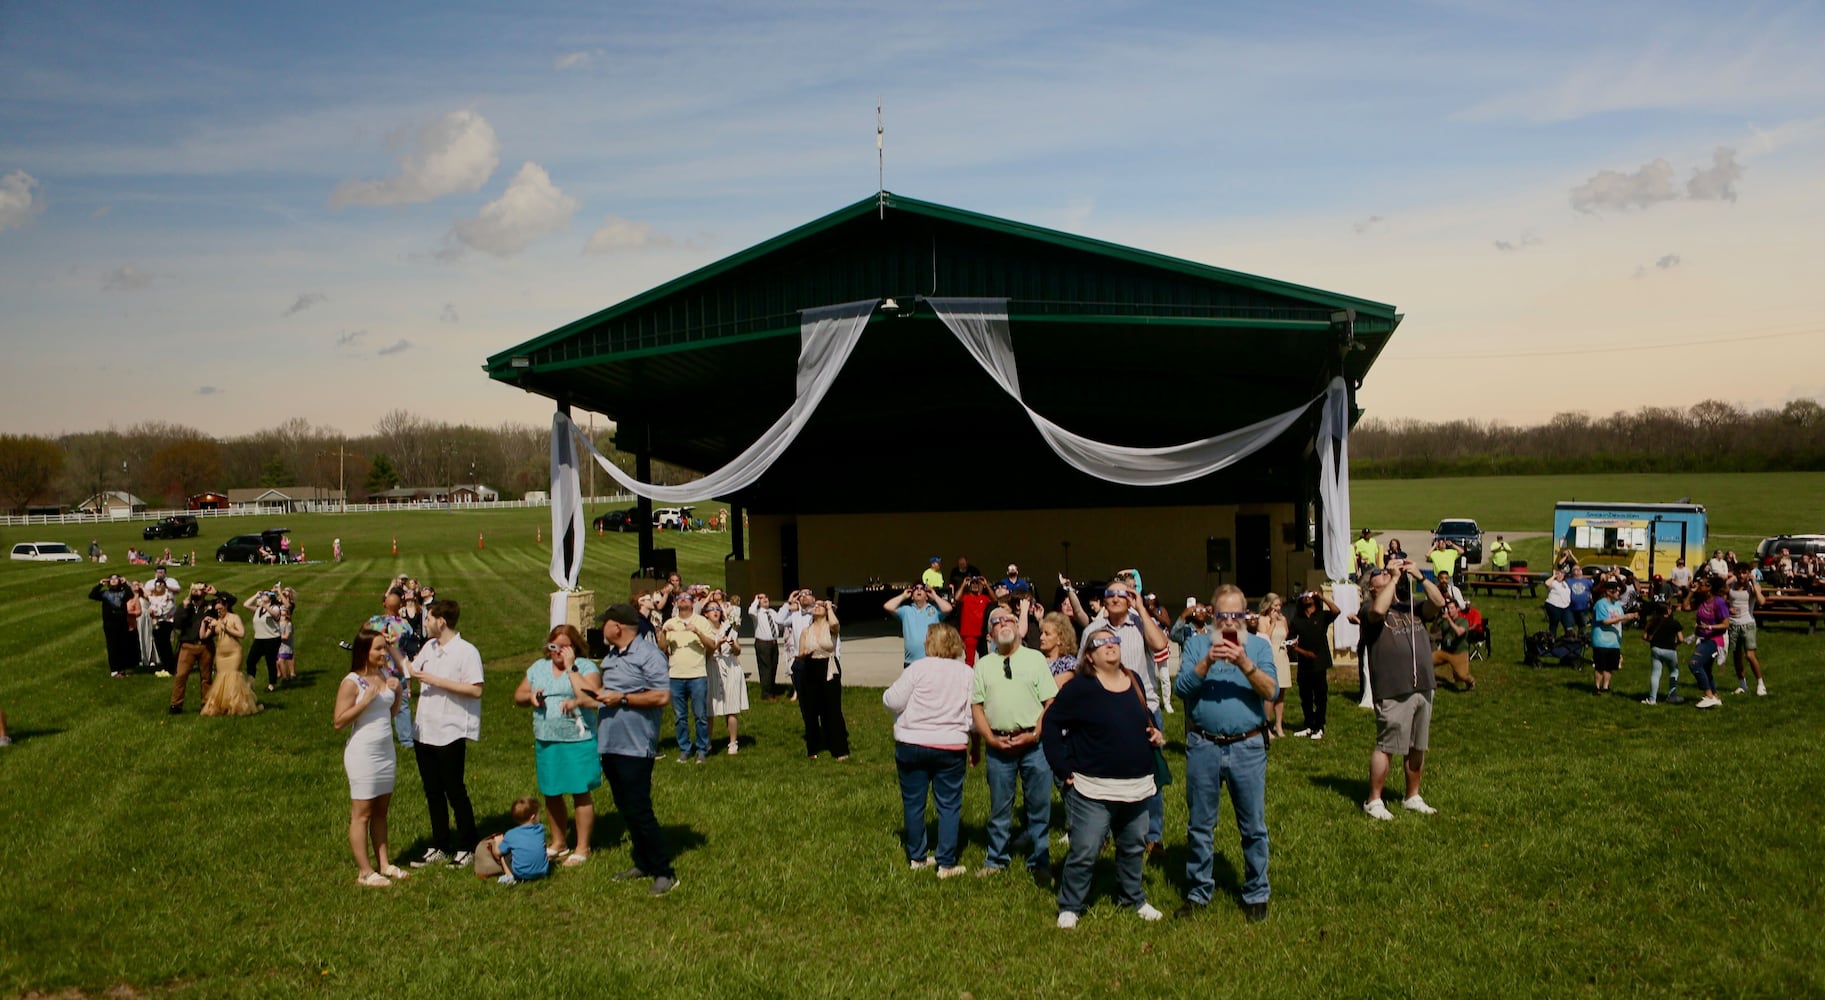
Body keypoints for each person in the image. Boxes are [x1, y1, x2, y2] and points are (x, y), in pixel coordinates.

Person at [1041, 627, 1167, 928]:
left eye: (1114, 640)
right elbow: (1051, 725)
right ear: (1090, 655)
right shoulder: (1080, 687)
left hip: (1137, 787)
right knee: (1085, 849)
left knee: (1134, 845)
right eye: (1101, 642)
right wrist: (1062, 769)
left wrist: (1153, 731)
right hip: (1092, 788)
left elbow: (1142, 718)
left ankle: (1132, 898)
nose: (1110, 645)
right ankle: (1070, 905)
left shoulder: (1134, 680)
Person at [1174, 584, 1277, 921]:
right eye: (1223, 615)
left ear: (1245, 616)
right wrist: (1206, 662)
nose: (1230, 622)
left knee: (1253, 825)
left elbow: (1271, 691)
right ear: (1213, 615)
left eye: (1236, 615)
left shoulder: (1259, 647)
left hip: (1247, 745)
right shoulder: (1196, 644)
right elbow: (1181, 690)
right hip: (1203, 744)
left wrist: (1245, 664)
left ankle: (1256, 892)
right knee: (1200, 825)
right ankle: (1199, 891)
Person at [1063, 577, 1171, 860]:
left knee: (1151, 776)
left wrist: (1141, 608)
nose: (1115, 598)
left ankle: (1153, 836)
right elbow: (1080, 669)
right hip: (1104, 712)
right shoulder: (1094, 630)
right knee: (1107, 772)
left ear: (1131, 597)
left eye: (1122, 595)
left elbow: (1161, 648)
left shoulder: (1140, 624)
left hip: (1142, 708)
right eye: (1110, 594)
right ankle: (1106, 832)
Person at [591, 604, 679, 896]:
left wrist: (624, 699)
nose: (602, 627)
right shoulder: (614, 655)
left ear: (618, 627)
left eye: (605, 623)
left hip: (635, 745)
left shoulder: (648, 655)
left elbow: (662, 695)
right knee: (625, 807)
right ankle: (643, 862)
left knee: (640, 810)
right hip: (610, 743)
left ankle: (665, 872)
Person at [972, 609, 1059, 887]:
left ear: (1019, 628)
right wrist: (990, 739)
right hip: (999, 745)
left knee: (1039, 806)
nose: (1004, 624)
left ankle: (1039, 860)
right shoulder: (984, 664)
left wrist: (1035, 733)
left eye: (1009, 619)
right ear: (990, 634)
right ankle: (996, 859)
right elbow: (976, 707)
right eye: (997, 622)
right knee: (1000, 808)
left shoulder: (1035, 659)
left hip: (1034, 745)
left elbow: (1051, 703)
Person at [883, 624, 974, 876]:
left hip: (912, 743)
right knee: (949, 805)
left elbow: (893, 700)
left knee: (913, 803)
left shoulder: (918, 669)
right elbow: (972, 714)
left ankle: (917, 857)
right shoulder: (967, 673)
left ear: (930, 643)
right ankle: (946, 862)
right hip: (950, 745)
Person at [1360, 561, 1446, 821]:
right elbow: (1378, 609)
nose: (1385, 573)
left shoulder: (1412, 607)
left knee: (1417, 746)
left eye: (1386, 571)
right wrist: (1394, 578)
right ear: (1371, 587)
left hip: (1422, 685)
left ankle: (1413, 796)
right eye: (1379, 574)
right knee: (1387, 745)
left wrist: (1420, 577)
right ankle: (1374, 800)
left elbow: (1439, 603)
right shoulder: (1368, 610)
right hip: (1393, 688)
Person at [405, 600, 484, 868]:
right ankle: (440, 844)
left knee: (454, 789)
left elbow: (476, 689)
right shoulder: (429, 647)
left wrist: (436, 681)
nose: (425, 623)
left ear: (441, 621)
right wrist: (392, 649)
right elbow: (413, 671)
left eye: (428, 618)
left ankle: (468, 845)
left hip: (450, 730)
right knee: (432, 791)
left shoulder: (466, 652)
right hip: (424, 729)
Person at [514, 625, 600, 867]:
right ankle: (558, 842)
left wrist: (572, 668)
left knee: (580, 790)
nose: (557, 652)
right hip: (547, 737)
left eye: (564, 647)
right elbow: (519, 694)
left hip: (578, 739)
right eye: (553, 646)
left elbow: (593, 694)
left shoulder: (585, 667)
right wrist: (530, 697)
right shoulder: (538, 668)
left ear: (574, 647)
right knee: (551, 791)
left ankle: (583, 847)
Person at [333, 626, 408, 887]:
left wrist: (396, 693)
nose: (383, 653)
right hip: (363, 753)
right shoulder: (352, 681)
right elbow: (339, 722)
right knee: (362, 813)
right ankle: (365, 871)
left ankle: (384, 864)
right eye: (378, 648)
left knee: (381, 811)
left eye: (384, 648)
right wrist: (363, 702)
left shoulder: (385, 675)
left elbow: (390, 713)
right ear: (365, 651)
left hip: (386, 751)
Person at [658, 592, 718, 764]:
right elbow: (662, 647)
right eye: (680, 598)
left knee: (700, 715)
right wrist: (663, 632)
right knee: (679, 717)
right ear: (676, 603)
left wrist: (697, 632)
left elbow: (712, 645)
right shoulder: (670, 622)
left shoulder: (701, 622)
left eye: (686, 597)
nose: (682, 599)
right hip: (675, 676)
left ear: (693, 603)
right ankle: (685, 749)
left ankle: (702, 750)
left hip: (697, 675)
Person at [792, 599, 850, 760]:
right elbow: (801, 652)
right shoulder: (806, 630)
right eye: (815, 605)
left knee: (832, 709)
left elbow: (835, 624)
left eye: (820, 605)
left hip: (829, 667)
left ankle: (839, 748)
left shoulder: (831, 627)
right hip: (810, 667)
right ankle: (813, 748)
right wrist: (802, 655)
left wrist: (829, 607)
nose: (817, 607)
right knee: (810, 710)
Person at [169, 584, 233, 713]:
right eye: (194, 589)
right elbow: (178, 624)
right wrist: (185, 608)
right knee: (181, 675)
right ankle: (176, 704)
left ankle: (206, 703)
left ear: (204, 592)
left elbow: (231, 602)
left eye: (199, 589)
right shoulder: (186, 606)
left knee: (206, 677)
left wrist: (217, 593)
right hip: (187, 645)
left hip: (205, 645)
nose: (196, 591)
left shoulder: (211, 605)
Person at [1288, 590, 1340, 739]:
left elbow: (1337, 611)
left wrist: (1322, 597)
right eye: (1303, 596)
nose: (1306, 598)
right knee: (1305, 696)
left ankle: (1319, 726)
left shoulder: (1321, 615)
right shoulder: (1297, 619)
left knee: (1320, 696)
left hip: (1319, 662)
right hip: (1304, 663)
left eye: (1309, 595)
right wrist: (1299, 650)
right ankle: (1309, 724)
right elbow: (1291, 640)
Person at [200, 597, 260, 716]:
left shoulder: (234, 617)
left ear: (226, 606)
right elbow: (203, 636)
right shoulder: (216, 620)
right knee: (221, 678)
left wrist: (225, 627)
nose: (219, 611)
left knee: (233, 677)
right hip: (221, 654)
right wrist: (204, 623)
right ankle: (222, 705)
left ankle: (236, 705)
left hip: (234, 652)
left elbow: (241, 634)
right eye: (217, 610)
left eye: (221, 608)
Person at [702, 602, 748, 754]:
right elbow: (706, 655)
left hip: (730, 666)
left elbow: (738, 650)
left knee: (731, 707)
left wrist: (732, 645)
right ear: (705, 614)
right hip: (712, 666)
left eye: (717, 609)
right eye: (711, 609)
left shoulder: (729, 627)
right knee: (710, 708)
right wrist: (716, 645)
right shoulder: (704, 630)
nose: (715, 612)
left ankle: (733, 742)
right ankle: (707, 742)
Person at [477, 796, 551, 885]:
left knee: (504, 855)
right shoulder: (540, 830)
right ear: (533, 817)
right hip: (543, 871)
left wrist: (498, 842)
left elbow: (497, 853)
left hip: (521, 873)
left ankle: (510, 877)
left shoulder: (511, 834)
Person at [1684, 576, 1729, 710]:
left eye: (1702, 584)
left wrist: (1709, 627)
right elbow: (1685, 606)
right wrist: (1692, 592)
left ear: (1709, 588)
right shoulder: (1701, 601)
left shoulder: (1719, 602)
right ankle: (1715, 696)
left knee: (1695, 664)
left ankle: (1709, 696)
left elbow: (1726, 624)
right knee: (1706, 669)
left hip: (1715, 640)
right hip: (1703, 639)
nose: (1699, 586)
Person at [883, 584, 954, 667]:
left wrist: (934, 596)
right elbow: (888, 606)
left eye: (922, 589)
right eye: (916, 589)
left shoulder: (935, 610)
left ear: (927, 596)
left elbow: (948, 608)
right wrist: (903, 596)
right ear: (912, 596)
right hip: (911, 662)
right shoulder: (906, 610)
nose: (919, 590)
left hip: (932, 661)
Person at [1725, 565, 1768, 697]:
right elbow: (1722, 599)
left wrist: (1754, 582)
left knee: (1749, 655)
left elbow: (1761, 601)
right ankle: (1742, 685)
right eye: (1739, 573)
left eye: (1744, 573)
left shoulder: (1752, 587)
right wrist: (1729, 609)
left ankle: (1760, 684)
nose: (1741, 576)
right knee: (1737, 656)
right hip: (1733, 624)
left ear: (1749, 574)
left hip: (1748, 623)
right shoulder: (1731, 587)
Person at [1255, 593, 1292, 738]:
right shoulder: (1262, 619)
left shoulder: (1283, 619)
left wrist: (1282, 623)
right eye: (1275, 605)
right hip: (1270, 657)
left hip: (1282, 656)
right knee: (1270, 694)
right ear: (1268, 606)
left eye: (1279, 606)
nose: (1277, 608)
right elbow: (1265, 637)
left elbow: (1286, 634)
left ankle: (1279, 724)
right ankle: (1266, 725)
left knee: (1281, 694)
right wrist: (1273, 623)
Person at [1590, 582, 1635, 695]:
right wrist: (1624, 616)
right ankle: (1597, 687)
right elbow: (1604, 621)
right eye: (1617, 591)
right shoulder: (1601, 604)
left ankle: (1606, 687)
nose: (1619, 593)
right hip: (1601, 640)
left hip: (1614, 641)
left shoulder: (1617, 605)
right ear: (1609, 592)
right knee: (1600, 666)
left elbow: (1620, 619)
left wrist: (1631, 617)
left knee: (1610, 666)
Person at [89, 575, 136, 677]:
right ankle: (114, 670)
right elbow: (92, 595)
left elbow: (130, 595)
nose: (114, 581)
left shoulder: (123, 592)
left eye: (116, 579)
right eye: (112, 579)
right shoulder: (105, 593)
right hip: (110, 624)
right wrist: (101, 584)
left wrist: (125, 583)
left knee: (123, 646)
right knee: (112, 646)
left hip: (122, 623)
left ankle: (122, 668)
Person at [1640, 600, 1684, 705]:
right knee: (1674, 671)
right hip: (1670, 650)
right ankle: (1672, 695)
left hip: (1656, 650)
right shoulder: (1674, 623)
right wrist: (1676, 644)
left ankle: (1652, 699)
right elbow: (1681, 639)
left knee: (1655, 673)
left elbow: (1644, 636)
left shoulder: (1652, 622)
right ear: (1668, 611)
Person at [747, 593, 785, 700]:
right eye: (761, 598)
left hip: (774, 643)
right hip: (763, 644)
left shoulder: (772, 612)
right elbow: (750, 611)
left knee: (773, 667)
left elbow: (780, 623)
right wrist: (755, 599)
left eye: (766, 597)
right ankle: (766, 693)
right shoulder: (756, 613)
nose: (765, 599)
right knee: (766, 668)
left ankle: (772, 690)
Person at [245, 590, 284, 692]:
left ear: (271, 597)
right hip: (259, 639)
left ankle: (272, 684)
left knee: (270, 661)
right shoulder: (258, 608)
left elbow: (275, 614)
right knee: (250, 661)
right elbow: (246, 604)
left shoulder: (275, 607)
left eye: (265, 595)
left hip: (272, 639)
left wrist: (265, 605)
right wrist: (255, 595)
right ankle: (250, 682)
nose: (262, 596)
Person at [1432, 602, 1476, 691]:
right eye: (1448, 608)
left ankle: (1471, 682)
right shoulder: (1444, 620)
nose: (1449, 611)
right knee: (1427, 662)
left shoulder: (1463, 621)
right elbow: (1433, 631)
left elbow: (1459, 632)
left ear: (1457, 609)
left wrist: (1449, 620)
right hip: (1444, 651)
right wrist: (1437, 618)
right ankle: (1430, 682)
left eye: (1452, 608)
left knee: (1462, 675)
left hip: (1458, 653)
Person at [956, 576, 995, 666]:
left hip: (982, 634)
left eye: (977, 583)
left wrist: (986, 585)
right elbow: (957, 598)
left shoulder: (984, 598)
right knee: (969, 660)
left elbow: (995, 600)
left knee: (984, 659)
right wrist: (963, 584)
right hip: (969, 634)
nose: (975, 585)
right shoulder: (965, 597)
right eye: (973, 583)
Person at [1039, 612, 1079, 678]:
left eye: (1047, 634)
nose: (1041, 637)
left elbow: (1053, 687)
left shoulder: (1068, 664)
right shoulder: (1037, 659)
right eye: (1042, 633)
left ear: (1060, 639)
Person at [1543, 568, 1574, 638]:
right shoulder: (1553, 582)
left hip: (1566, 607)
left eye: (1562, 574)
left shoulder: (1566, 583)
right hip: (1554, 606)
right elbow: (1546, 583)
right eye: (1558, 574)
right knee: (1554, 624)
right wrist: (1554, 576)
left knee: (1569, 625)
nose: (1560, 575)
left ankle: (1568, 641)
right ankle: (1552, 640)